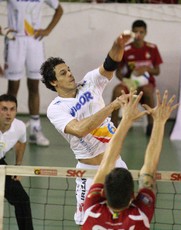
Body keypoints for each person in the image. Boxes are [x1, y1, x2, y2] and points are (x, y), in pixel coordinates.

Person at [40, 31, 133, 227]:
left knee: (126, 216)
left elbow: (110, 64)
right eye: (63, 73)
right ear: (53, 82)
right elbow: (79, 129)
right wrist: (112, 106)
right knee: (88, 222)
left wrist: (118, 44)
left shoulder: (90, 82)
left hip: (116, 162)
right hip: (89, 172)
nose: (70, 74)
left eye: (69, 69)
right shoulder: (56, 109)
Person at [82, 89, 178, 229]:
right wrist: (159, 121)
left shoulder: (91, 209)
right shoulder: (140, 216)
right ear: (132, 196)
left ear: (103, 193)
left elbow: (107, 162)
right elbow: (149, 168)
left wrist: (125, 119)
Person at [2, 0, 63, 147]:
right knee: (13, 88)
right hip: (15, 40)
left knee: (34, 86)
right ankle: (7, 131)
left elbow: (59, 10)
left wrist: (47, 30)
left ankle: (35, 130)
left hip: (34, 41)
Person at [110, 19, 163, 136]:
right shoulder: (125, 49)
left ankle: (151, 125)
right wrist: (127, 82)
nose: (138, 35)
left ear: (145, 33)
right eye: (135, 32)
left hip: (146, 84)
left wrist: (146, 69)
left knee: (148, 91)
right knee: (117, 90)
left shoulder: (152, 48)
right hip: (131, 84)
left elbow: (157, 71)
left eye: (141, 32)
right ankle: (112, 125)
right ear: (132, 33)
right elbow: (118, 72)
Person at [0, 94, 34, 229]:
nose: (8, 113)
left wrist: (18, 166)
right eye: (4, 109)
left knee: (22, 200)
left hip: (0, 165)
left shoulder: (19, 127)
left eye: (12, 109)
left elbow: (21, 142)